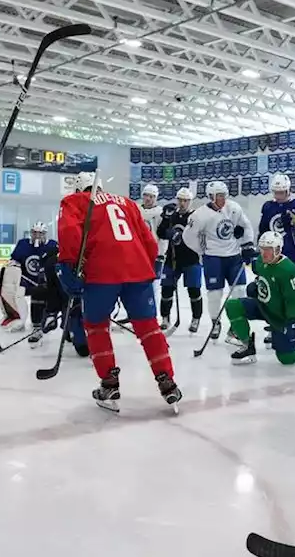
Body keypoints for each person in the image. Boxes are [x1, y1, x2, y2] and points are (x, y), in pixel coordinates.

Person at [57, 172, 180, 413]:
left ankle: (109, 383)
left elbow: (69, 232)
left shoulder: (74, 202)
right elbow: (149, 241)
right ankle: (167, 380)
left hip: (101, 273)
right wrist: (148, 265)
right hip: (138, 270)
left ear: (79, 188)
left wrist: (68, 265)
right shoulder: (127, 202)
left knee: (96, 326)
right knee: (149, 328)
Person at [225, 231, 295, 366]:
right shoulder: (261, 260)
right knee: (233, 305)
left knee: (287, 358)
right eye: (262, 249)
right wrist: (256, 285)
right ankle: (247, 346)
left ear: (277, 250)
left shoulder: (288, 270)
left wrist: (293, 324)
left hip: (281, 317)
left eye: (268, 250)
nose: (264, 253)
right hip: (264, 306)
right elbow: (258, 270)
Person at [182, 180, 255, 342]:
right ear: (211, 196)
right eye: (219, 196)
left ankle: (235, 325)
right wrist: (202, 251)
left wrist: (247, 244)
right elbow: (187, 236)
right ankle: (216, 322)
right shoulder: (200, 215)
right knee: (215, 294)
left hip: (234, 257)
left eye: (224, 195)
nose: (223, 199)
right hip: (213, 258)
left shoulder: (234, 208)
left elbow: (247, 226)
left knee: (239, 291)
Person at [156, 187, 204, 333]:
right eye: (180, 200)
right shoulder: (172, 215)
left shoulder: (196, 216)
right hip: (172, 258)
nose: (182, 203)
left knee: (194, 290)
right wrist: (165, 221)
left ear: (190, 201)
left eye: (186, 200)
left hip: (191, 259)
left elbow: (201, 235)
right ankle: (165, 318)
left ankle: (196, 319)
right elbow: (160, 233)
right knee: (166, 289)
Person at [0, 222, 58, 335]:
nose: (37, 236)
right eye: (35, 233)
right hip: (26, 279)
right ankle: (17, 319)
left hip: (44, 281)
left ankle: (41, 320)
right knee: (15, 292)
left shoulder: (52, 245)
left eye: (40, 233)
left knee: (40, 310)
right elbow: (14, 261)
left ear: (45, 234)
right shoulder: (23, 244)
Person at [259, 173, 295, 277]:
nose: (278, 196)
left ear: (288, 190)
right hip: (274, 256)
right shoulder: (268, 207)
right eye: (276, 193)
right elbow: (263, 232)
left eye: (281, 193)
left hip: (294, 257)